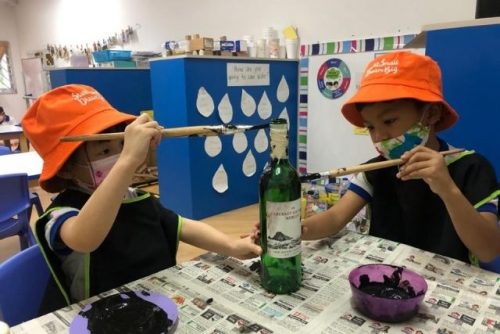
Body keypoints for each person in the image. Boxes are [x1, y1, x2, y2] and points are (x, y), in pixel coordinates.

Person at [22, 84, 261, 311]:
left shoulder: (132, 197)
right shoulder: (61, 215)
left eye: (121, 144)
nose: (119, 154)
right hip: (98, 317)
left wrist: (233, 246)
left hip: (150, 305)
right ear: (65, 168)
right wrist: (128, 159)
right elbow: (85, 238)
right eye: (105, 150)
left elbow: (181, 226)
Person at [253, 51, 499, 265]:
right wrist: (293, 229)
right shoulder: (376, 169)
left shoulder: (471, 168)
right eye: (370, 127)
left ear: (431, 114)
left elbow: (488, 250)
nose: (380, 136)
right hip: (386, 278)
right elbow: (335, 218)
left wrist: (447, 189)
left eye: (389, 121)